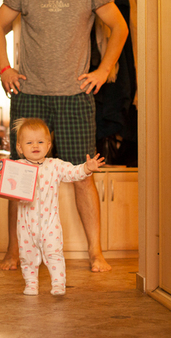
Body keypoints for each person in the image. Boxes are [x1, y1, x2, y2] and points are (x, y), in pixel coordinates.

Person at [0, 0, 129, 273]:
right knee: (19, 176)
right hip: (30, 96)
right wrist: (5, 69)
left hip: (74, 97)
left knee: (83, 175)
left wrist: (104, 70)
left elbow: (120, 28)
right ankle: (13, 251)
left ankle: (96, 253)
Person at [11, 118, 106, 295]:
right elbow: (6, 185)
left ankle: (58, 283)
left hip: (50, 224)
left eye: (40, 142)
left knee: (54, 253)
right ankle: (31, 284)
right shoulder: (18, 168)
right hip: (26, 226)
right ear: (20, 148)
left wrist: (87, 168)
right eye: (29, 143)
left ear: (48, 146)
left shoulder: (55, 165)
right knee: (27, 256)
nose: (35, 146)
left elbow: (74, 172)